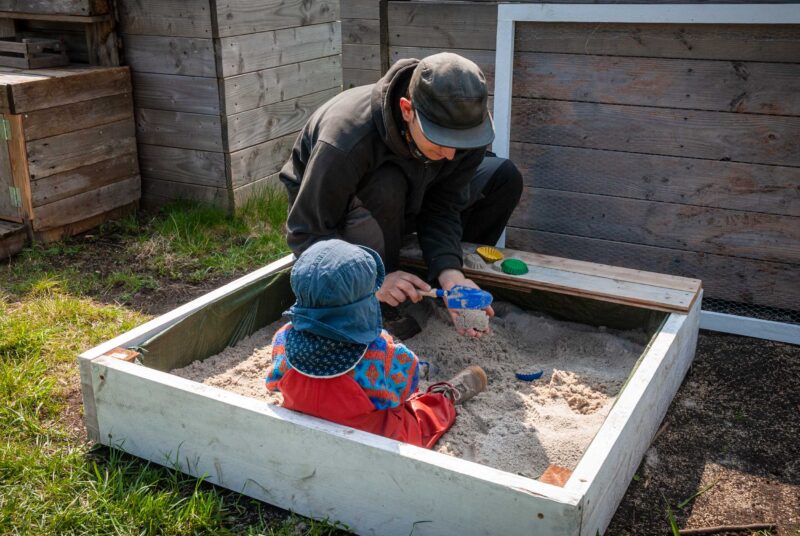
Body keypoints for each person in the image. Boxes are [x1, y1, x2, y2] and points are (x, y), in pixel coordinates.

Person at [279, 52, 523, 338]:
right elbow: (305, 233)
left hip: (415, 192)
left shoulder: (464, 127)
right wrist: (372, 281)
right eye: (441, 140)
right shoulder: (345, 140)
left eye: (461, 142)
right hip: (338, 207)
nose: (451, 154)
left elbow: (443, 206)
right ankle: (381, 296)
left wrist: (450, 274)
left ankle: (436, 277)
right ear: (407, 110)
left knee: (503, 176)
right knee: (388, 184)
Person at [265, 239, 488, 448]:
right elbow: (405, 389)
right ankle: (444, 396)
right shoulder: (381, 354)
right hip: (370, 442)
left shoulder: (283, 340)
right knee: (421, 415)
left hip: (305, 430)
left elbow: (273, 383)